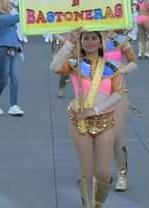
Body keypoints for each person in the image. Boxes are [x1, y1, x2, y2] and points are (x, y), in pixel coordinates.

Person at [50, 29, 124, 207]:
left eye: (94, 38)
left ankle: (98, 203)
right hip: (80, 122)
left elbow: (118, 93)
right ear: (81, 41)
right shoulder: (75, 64)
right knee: (86, 171)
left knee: (104, 174)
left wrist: (97, 109)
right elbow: (54, 67)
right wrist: (69, 43)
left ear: (100, 42)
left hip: (104, 121)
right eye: (86, 38)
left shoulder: (111, 65)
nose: (90, 42)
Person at [104, 31, 137, 192]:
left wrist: (124, 69)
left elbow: (133, 61)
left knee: (116, 136)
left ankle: (122, 174)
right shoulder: (86, 38)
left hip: (117, 91)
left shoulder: (118, 39)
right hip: (93, 93)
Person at [0, 0, 24, 116]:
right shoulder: (3, 18)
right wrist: (21, 5)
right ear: (3, 4)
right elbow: (22, 16)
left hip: (13, 49)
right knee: (3, 80)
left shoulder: (5, 18)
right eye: (9, 3)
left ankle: (13, 105)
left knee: (15, 79)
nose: (11, 5)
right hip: (3, 51)